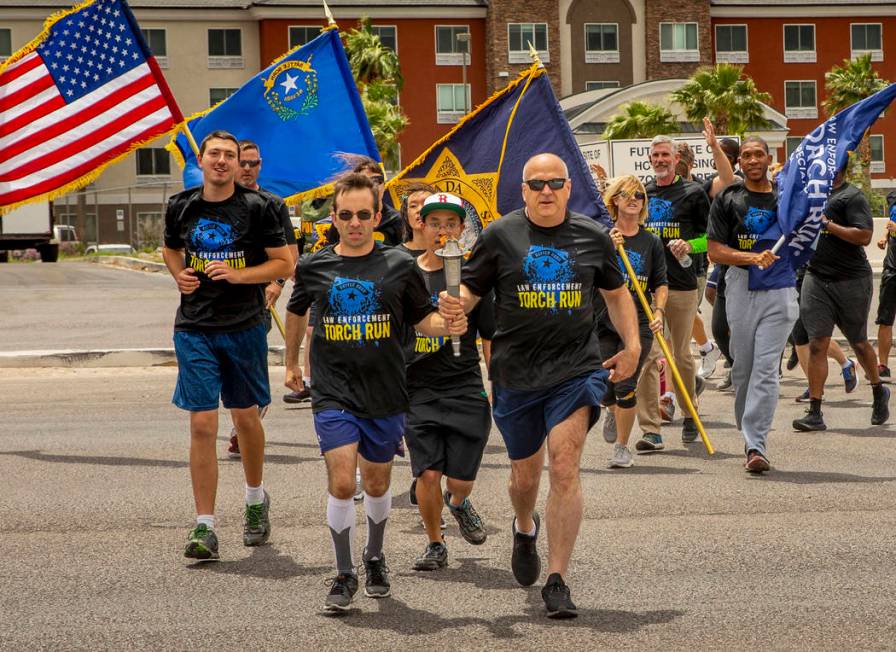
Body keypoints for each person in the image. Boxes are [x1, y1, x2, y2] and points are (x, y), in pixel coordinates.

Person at [439, 153, 641, 619]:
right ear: (523, 190)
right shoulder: (499, 236)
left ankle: (557, 579)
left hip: (575, 370)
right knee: (524, 477)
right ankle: (524, 526)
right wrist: (457, 307)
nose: (546, 191)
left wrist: (631, 345)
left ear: (569, 188)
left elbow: (616, 294)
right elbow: (470, 288)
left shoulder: (592, 236)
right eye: (536, 184)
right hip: (516, 374)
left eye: (555, 183)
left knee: (565, 465)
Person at [283, 173, 467, 614]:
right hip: (333, 390)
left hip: (385, 390)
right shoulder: (314, 265)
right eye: (346, 215)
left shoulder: (399, 266)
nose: (355, 223)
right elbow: (295, 312)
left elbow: (425, 321)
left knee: (380, 481)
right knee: (344, 481)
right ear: (334, 217)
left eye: (364, 215)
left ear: (376, 217)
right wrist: (290, 362)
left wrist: (452, 324)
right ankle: (344, 571)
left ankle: (375, 556)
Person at [161, 130, 293, 560]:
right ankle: (205, 526)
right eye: (213, 154)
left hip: (244, 325)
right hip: (195, 326)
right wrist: (178, 273)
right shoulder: (181, 205)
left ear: (240, 164)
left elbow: (284, 263)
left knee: (246, 418)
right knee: (202, 423)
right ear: (200, 160)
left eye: (230, 156)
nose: (221, 161)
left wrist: (240, 275)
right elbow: (170, 248)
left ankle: (255, 499)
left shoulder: (261, 208)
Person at [405, 192, 495, 571]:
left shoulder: (474, 276)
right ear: (421, 226)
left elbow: (489, 334)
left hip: (463, 384)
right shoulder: (404, 272)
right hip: (417, 387)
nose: (442, 230)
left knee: (459, 481)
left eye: (451, 224)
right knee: (427, 472)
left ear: (461, 229)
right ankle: (435, 542)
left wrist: (499, 382)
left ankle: (457, 503)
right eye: (435, 223)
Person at [707, 135, 799, 473]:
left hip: (780, 288)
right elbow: (715, 250)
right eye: (746, 155)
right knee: (743, 368)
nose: (753, 160)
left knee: (765, 370)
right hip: (741, 286)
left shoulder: (786, 199)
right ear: (740, 163)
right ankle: (749, 436)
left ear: (769, 157)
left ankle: (756, 444)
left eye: (759, 154)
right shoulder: (728, 198)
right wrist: (751, 257)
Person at [792, 169, 890, 431]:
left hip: (851, 280)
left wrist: (828, 225)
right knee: (817, 344)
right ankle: (815, 411)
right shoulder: (810, 197)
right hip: (816, 277)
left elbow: (864, 236)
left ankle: (878, 390)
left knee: (858, 343)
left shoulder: (852, 196)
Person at [635, 134, 710, 450]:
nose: (660, 160)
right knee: (649, 357)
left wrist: (690, 245)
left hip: (681, 285)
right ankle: (651, 429)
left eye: (666, 155)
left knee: (680, 355)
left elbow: (712, 239)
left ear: (677, 159)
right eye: (656, 156)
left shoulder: (693, 193)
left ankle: (690, 413)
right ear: (650, 160)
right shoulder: (643, 193)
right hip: (648, 289)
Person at [228, 140, 299, 457]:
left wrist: (277, 282)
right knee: (229, 371)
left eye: (253, 163)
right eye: (242, 162)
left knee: (248, 366)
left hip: (258, 300)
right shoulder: (216, 202)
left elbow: (291, 254)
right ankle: (243, 421)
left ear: (260, 165)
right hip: (220, 302)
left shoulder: (272, 204)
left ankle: (243, 428)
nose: (247, 168)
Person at [598, 175, 667, 468]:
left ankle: (622, 447)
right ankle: (610, 409)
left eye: (639, 195)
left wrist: (659, 311)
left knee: (625, 384)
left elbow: (661, 283)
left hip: (638, 321)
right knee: (602, 383)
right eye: (626, 194)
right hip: (602, 319)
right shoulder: (603, 237)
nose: (634, 199)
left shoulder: (650, 241)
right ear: (614, 199)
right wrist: (608, 247)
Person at [875, 190, 896, 378]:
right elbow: (891, 223)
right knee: (885, 318)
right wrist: (885, 237)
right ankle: (882, 365)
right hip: (892, 268)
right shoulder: (892, 196)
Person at [399, 182, 436, 257]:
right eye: (413, 206)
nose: (420, 209)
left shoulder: (450, 255)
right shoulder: (395, 257)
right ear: (406, 214)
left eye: (426, 204)